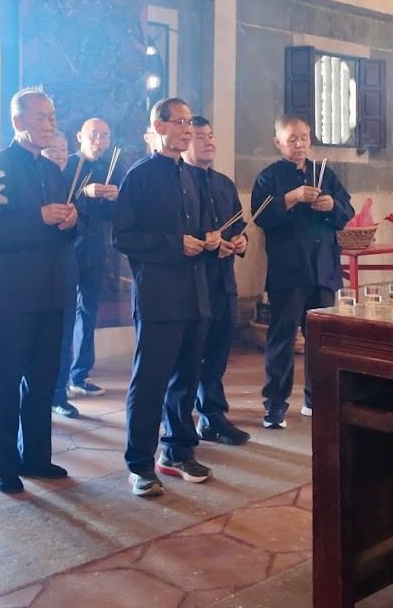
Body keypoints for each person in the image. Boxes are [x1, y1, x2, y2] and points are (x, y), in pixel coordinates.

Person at [0, 89, 78, 494]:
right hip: (13, 293)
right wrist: (38, 217)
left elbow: (71, 225)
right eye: (41, 118)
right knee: (6, 378)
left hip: (52, 292)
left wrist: (72, 221)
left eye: (52, 117)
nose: (49, 124)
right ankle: (3, 462)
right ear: (18, 122)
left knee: (42, 379)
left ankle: (35, 455)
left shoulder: (53, 170)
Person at [113, 98, 214, 498]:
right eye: (180, 122)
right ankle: (139, 465)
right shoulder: (139, 177)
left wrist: (212, 238)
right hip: (159, 296)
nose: (188, 129)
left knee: (186, 380)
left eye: (191, 121)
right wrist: (175, 244)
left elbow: (199, 226)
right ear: (159, 126)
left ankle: (177, 450)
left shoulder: (189, 176)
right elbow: (123, 236)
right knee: (151, 382)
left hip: (195, 294)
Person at [251, 115, 353, 429]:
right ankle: (275, 407)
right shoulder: (269, 177)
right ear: (278, 142)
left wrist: (332, 205)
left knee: (319, 339)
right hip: (289, 270)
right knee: (282, 338)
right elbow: (260, 216)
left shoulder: (325, 173)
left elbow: (346, 211)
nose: (300, 144)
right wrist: (292, 198)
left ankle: (316, 399)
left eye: (305, 138)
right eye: (292, 139)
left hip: (322, 268)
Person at [184, 116, 251, 447]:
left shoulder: (224, 184)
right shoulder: (179, 181)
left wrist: (240, 242)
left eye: (211, 136)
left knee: (218, 350)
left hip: (223, 280)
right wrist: (206, 241)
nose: (209, 142)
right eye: (200, 136)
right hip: (191, 283)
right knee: (190, 354)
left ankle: (212, 416)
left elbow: (239, 225)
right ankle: (180, 424)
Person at [61, 118, 118, 404]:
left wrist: (113, 198)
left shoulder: (109, 169)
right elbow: (62, 199)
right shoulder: (68, 166)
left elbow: (113, 216)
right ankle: (59, 380)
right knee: (64, 314)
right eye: (94, 134)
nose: (99, 140)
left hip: (96, 251)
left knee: (88, 312)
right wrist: (85, 191)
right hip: (68, 250)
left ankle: (80, 375)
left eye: (105, 136)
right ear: (79, 136)